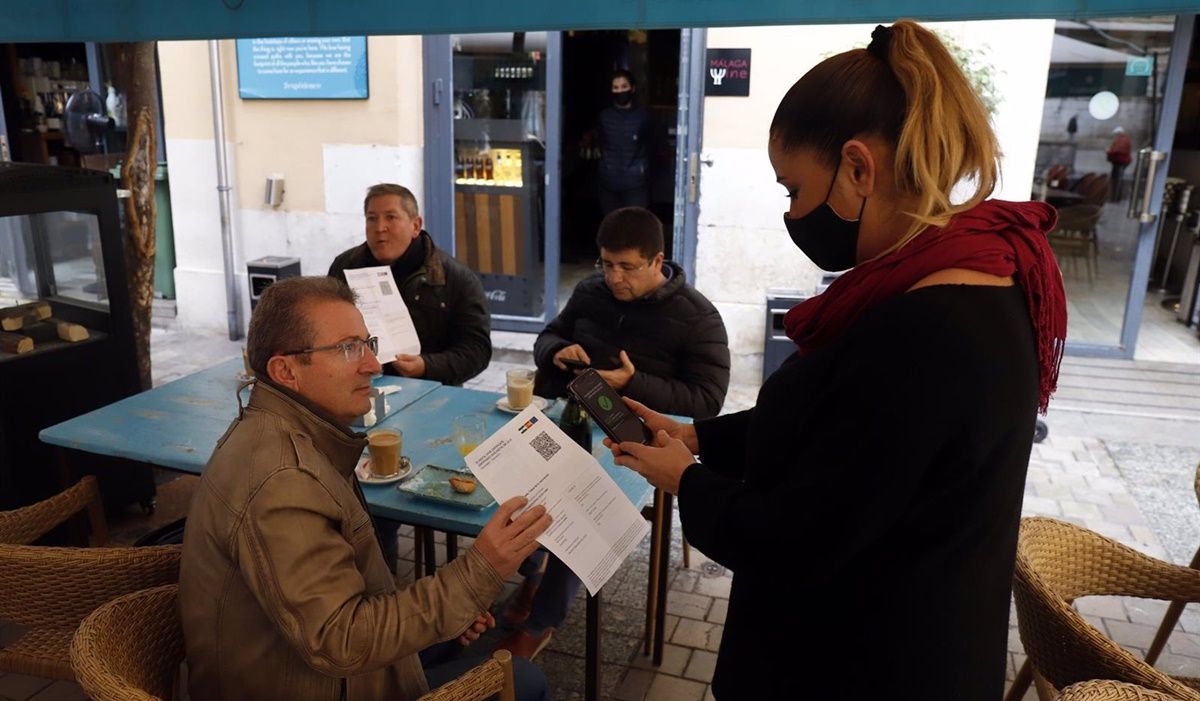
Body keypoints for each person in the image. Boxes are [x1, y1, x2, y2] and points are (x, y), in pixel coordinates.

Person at [605, 21, 1067, 699]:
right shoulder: (973, 272)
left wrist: (689, 481)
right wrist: (700, 436)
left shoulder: (926, 329)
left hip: (862, 663)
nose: (792, 212)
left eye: (793, 189)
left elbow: (799, 535)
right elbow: (840, 435)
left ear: (858, 168)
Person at [179, 276, 552, 701]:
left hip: (293, 659)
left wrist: (455, 602)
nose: (374, 365)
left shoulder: (284, 428)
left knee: (455, 623)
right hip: (301, 681)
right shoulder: (281, 481)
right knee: (525, 681)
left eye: (368, 344)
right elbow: (341, 641)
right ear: (285, 371)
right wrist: (480, 569)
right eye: (347, 348)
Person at [495, 206, 730, 658]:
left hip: (635, 440)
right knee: (505, 474)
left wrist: (632, 383)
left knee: (578, 501)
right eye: (606, 264)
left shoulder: (697, 317)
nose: (614, 277)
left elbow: (707, 401)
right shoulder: (590, 291)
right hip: (567, 419)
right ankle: (533, 569)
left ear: (657, 261)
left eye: (627, 267)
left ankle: (542, 619)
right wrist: (559, 351)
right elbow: (546, 336)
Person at [328, 183, 491, 387]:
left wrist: (426, 366)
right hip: (359, 386)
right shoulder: (344, 267)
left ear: (415, 226)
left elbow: (476, 350)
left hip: (428, 393)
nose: (380, 228)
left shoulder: (454, 278)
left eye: (391, 217)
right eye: (372, 218)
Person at [594, 70, 652, 215]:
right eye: (616, 88)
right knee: (612, 229)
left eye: (624, 86)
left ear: (632, 88)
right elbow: (600, 143)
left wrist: (643, 172)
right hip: (609, 185)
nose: (620, 91)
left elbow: (653, 146)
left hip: (636, 186)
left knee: (633, 229)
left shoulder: (643, 116)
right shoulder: (604, 116)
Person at [1107, 126, 1133, 202]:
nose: (1115, 136)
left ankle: (1115, 198)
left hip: (1120, 162)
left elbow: (1117, 150)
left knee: (1117, 180)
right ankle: (1114, 197)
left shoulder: (1123, 140)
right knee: (1116, 179)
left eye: (1115, 134)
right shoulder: (1122, 139)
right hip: (1119, 162)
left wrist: (1109, 152)